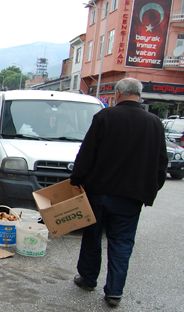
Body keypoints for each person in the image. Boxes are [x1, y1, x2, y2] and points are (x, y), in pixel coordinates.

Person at [69, 78, 168, 307]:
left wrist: (77, 179)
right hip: (132, 197)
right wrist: (151, 188)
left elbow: (87, 152)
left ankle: (88, 277)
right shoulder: (154, 123)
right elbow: (161, 162)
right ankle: (114, 292)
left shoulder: (105, 117)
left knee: (93, 236)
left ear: (118, 94)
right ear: (140, 95)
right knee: (122, 242)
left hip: (99, 192)